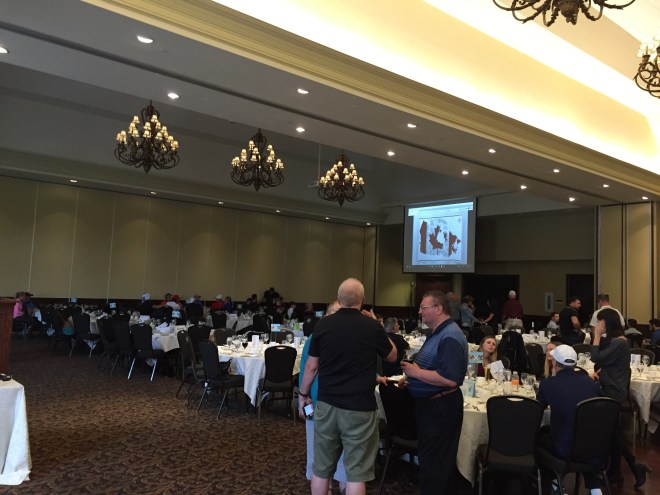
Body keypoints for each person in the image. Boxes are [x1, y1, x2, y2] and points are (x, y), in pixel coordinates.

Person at [298, 278, 396, 495]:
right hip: (360, 408)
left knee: (321, 469)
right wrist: (378, 324)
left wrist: (303, 395)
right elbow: (392, 356)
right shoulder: (372, 326)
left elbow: (311, 367)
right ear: (362, 300)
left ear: (339, 299)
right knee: (356, 474)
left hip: (327, 405)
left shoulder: (322, 325)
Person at [400, 290, 468, 495]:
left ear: (438, 309)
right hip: (432, 407)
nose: (420, 311)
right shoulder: (439, 333)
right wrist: (411, 379)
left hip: (441, 408)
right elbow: (432, 367)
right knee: (431, 462)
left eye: (423, 307)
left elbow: (450, 378)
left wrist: (416, 373)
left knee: (436, 466)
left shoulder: (450, 336)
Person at [591, 308, 650, 488]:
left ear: (607, 323)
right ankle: (620, 470)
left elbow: (595, 356)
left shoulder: (620, 342)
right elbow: (608, 363)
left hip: (613, 391)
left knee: (611, 432)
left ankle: (626, 467)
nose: (598, 325)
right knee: (612, 433)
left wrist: (596, 336)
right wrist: (601, 372)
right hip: (612, 388)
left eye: (600, 322)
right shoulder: (616, 341)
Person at [536, 345, 603, 495]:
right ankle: (595, 488)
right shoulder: (590, 382)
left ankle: (555, 484)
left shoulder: (548, 384)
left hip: (566, 450)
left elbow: (537, 412)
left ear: (554, 363)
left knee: (539, 437)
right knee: (581, 432)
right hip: (595, 447)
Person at [299, 300, 347, 493]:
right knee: (316, 448)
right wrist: (304, 398)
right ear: (326, 316)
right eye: (334, 312)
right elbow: (307, 369)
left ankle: (342, 484)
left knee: (343, 450)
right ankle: (325, 487)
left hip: (344, 403)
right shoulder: (314, 337)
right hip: (317, 400)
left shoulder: (350, 337)